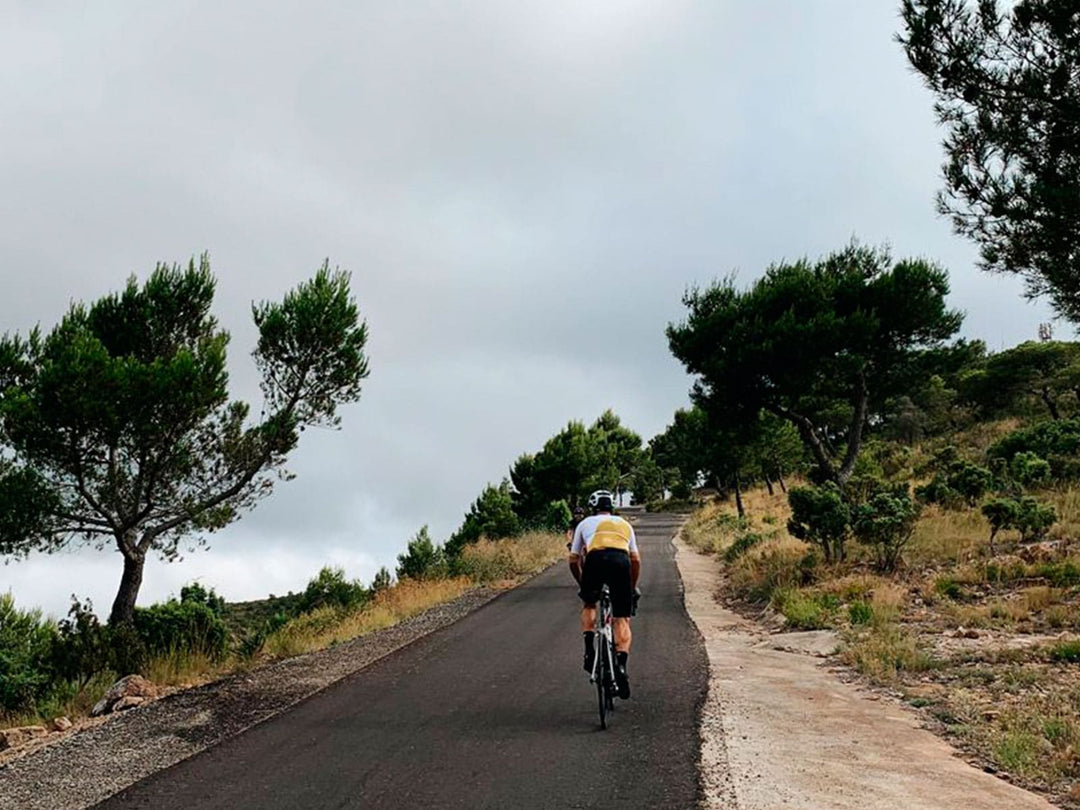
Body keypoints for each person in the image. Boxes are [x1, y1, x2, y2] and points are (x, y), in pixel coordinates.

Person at [569, 489, 641, 699]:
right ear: (612, 507)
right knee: (621, 618)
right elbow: (636, 559)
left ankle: (589, 647)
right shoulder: (625, 524)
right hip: (621, 561)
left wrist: (583, 584)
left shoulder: (584, 524)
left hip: (595, 560)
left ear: (593, 507)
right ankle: (620, 665)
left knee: (590, 605)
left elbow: (573, 559)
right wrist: (631, 586)